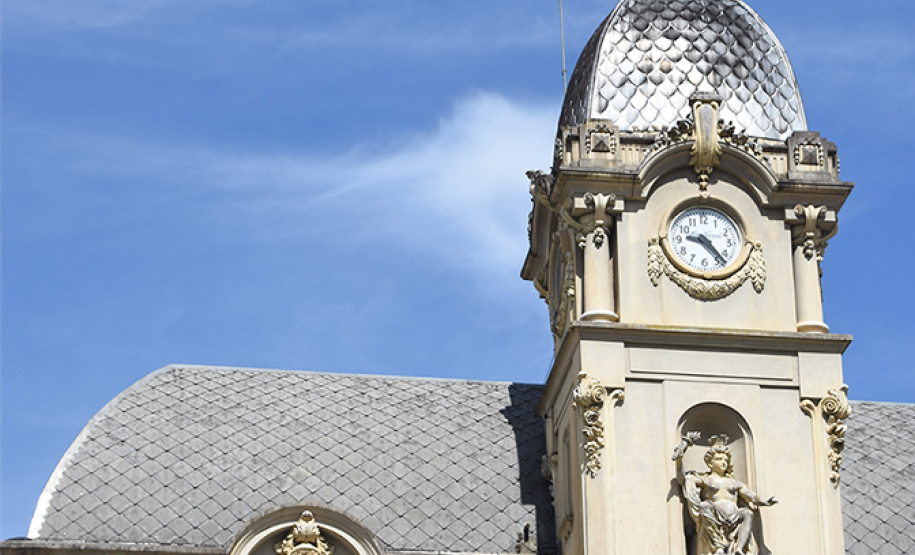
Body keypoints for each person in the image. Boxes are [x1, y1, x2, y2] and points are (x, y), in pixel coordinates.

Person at [672, 433, 776, 555]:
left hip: (734, 515)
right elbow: (682, 479)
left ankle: (739, 548)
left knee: (748, 513)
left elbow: (750, 496)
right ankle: (717, 546)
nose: (723, 462)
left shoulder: (733, 482)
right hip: (715, 512)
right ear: (710, 463)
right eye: (719, 459)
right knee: (705, 506)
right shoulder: (705, 479)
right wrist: (680, 458)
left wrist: (763, 502)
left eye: (725, 460)